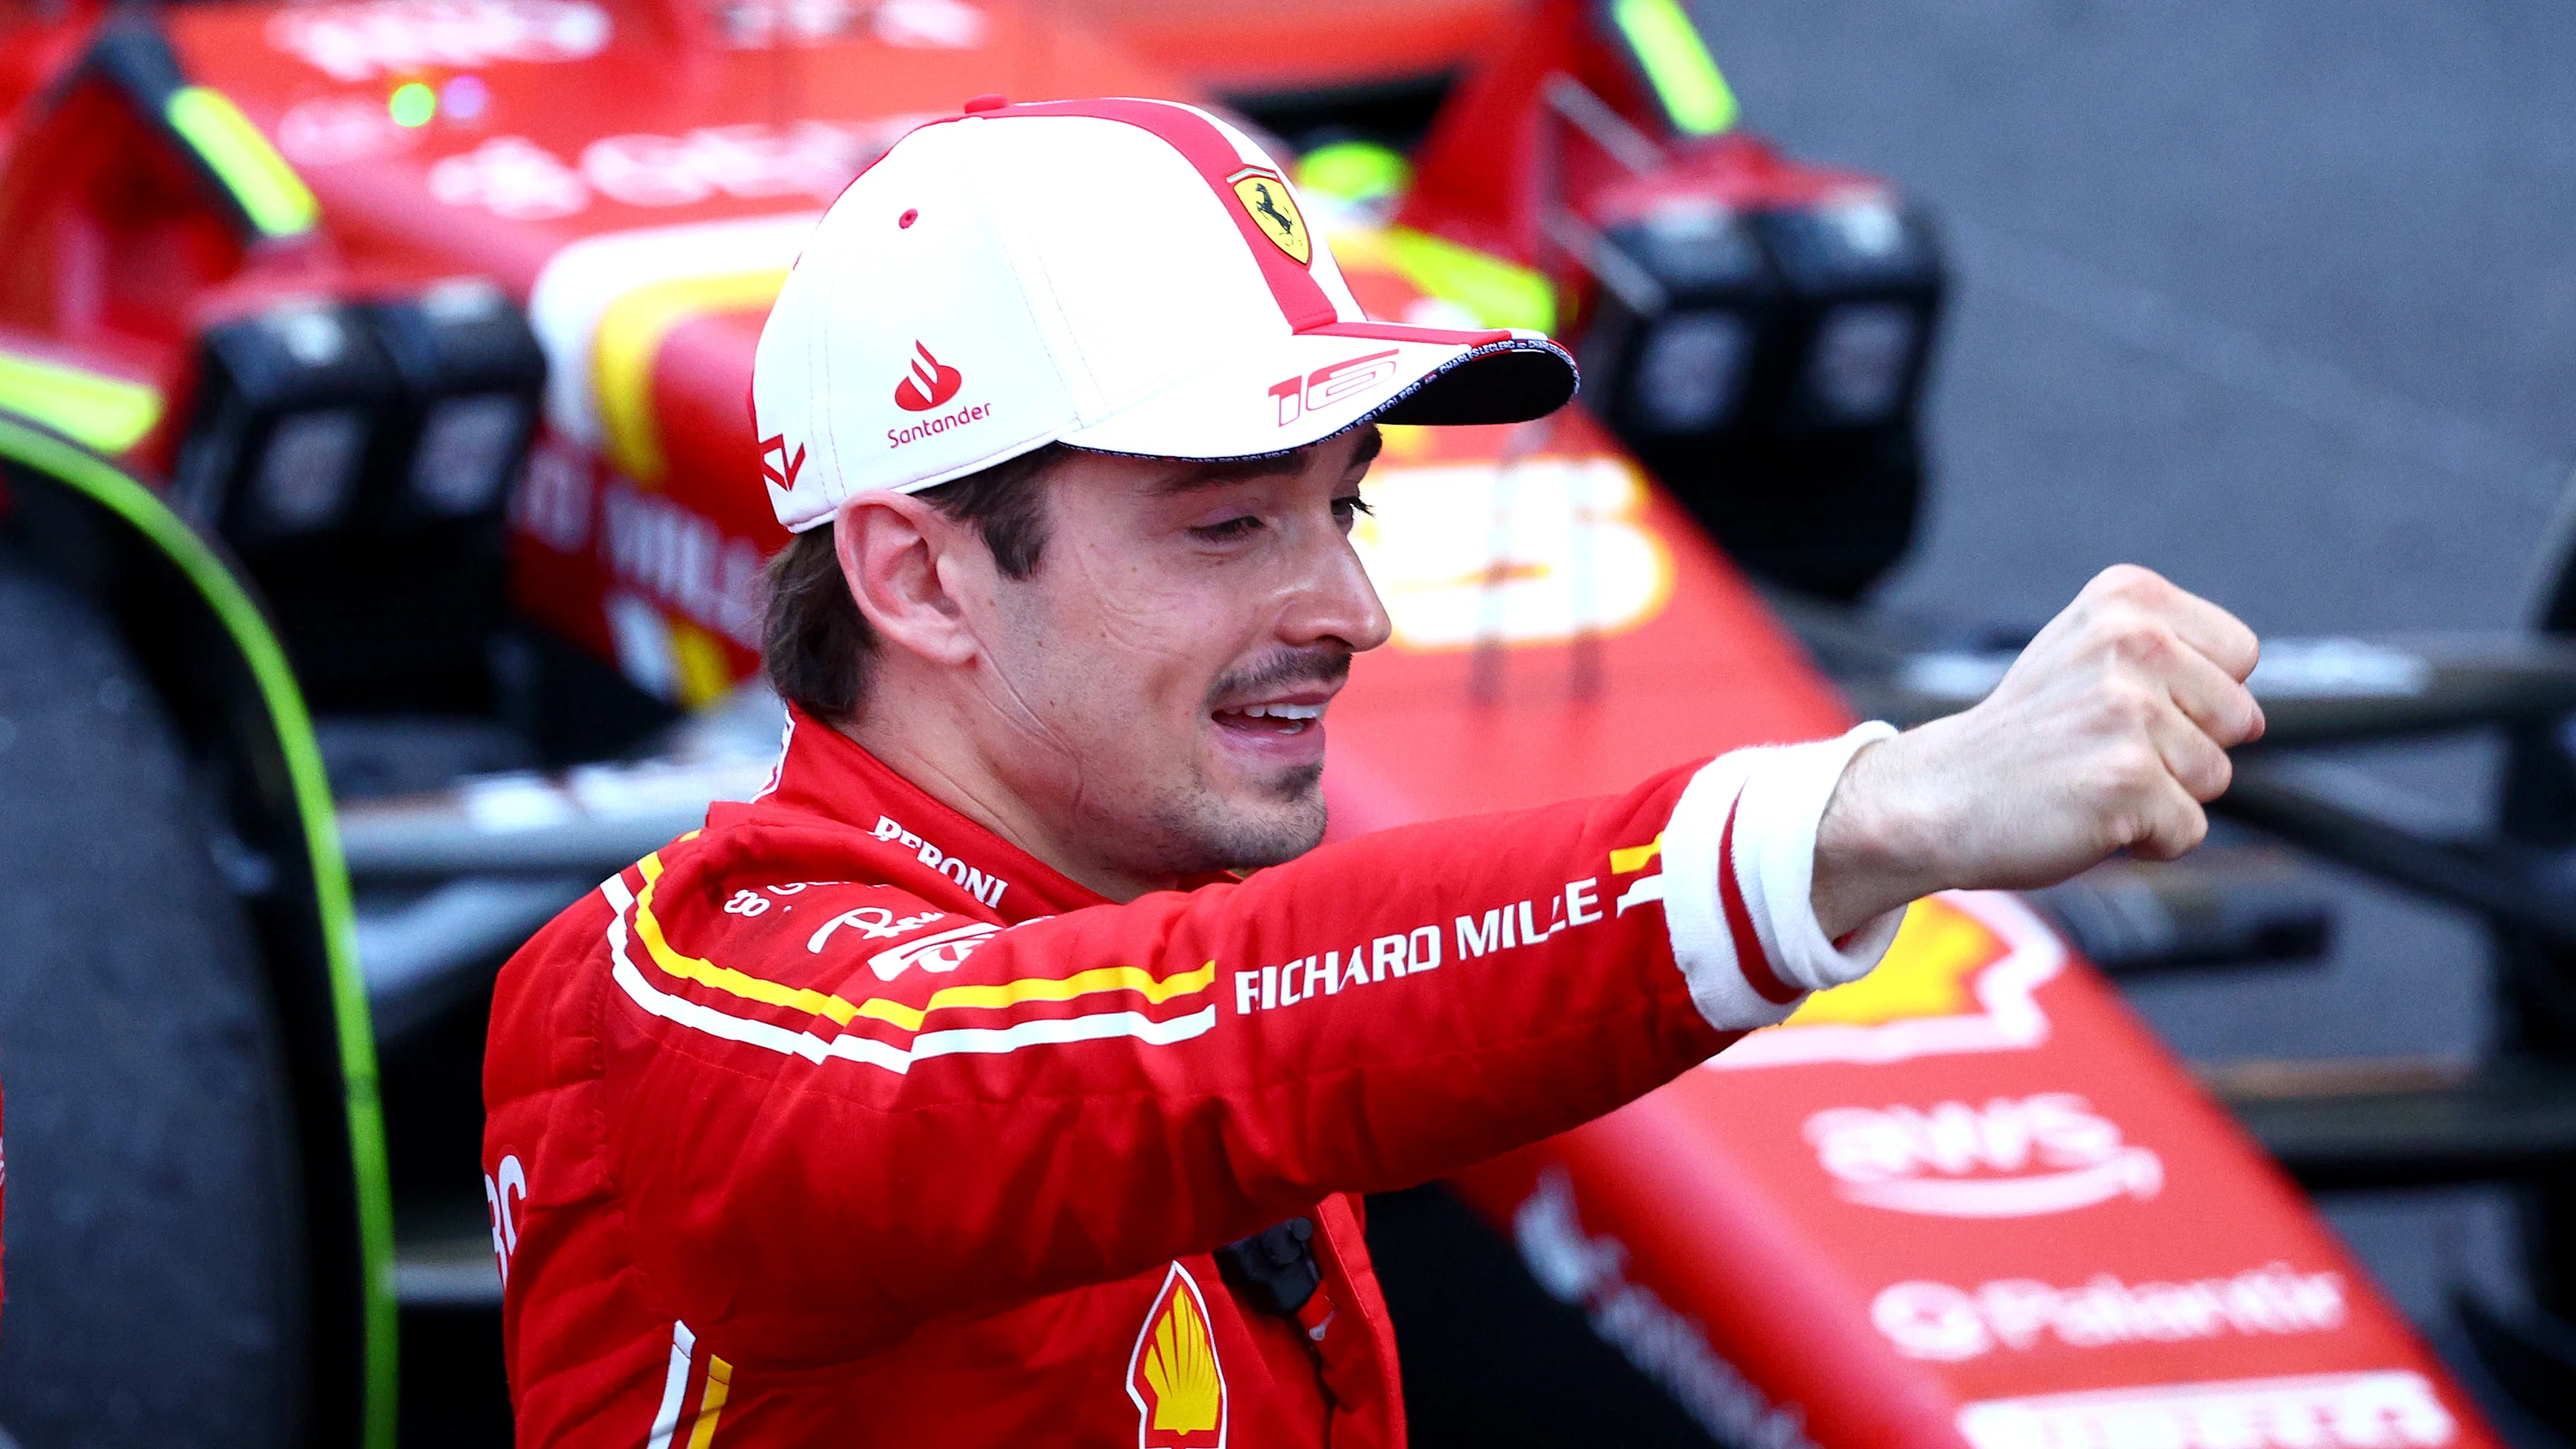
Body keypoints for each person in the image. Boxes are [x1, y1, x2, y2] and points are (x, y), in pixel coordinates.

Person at [482, 96, 2263, 1447]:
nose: (1351, 605)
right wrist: (1872, 819)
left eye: (1343, 506)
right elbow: (1192, 1044)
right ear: (917, 576)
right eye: (1228, 522)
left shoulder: (1184, 922)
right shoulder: (679, 1011)